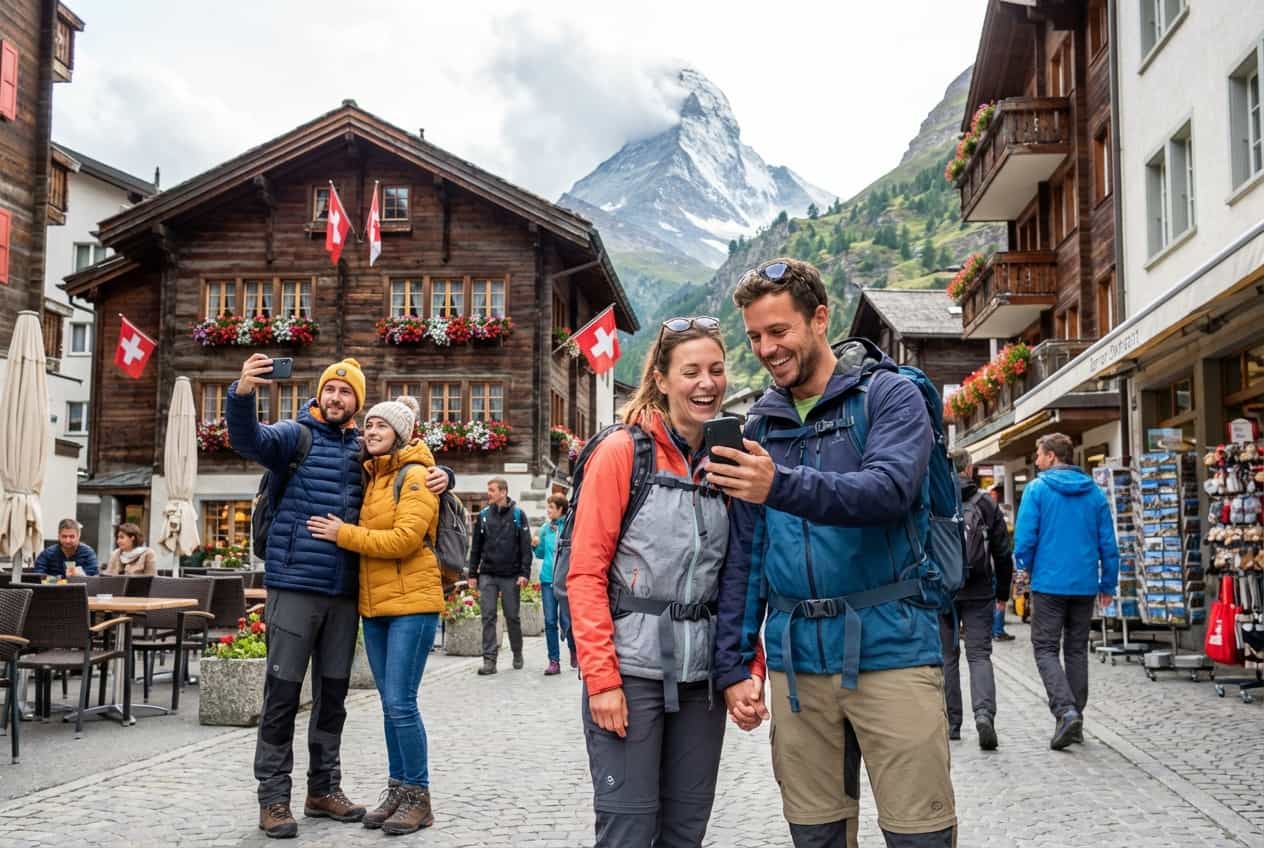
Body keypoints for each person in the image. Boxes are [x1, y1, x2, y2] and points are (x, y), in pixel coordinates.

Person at [710, 258, 956, 848]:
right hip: (798, 666)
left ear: (819, 318)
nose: (767, 348)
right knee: (815, 836)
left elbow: (889, 490)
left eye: (779, 331)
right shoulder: (760, 425)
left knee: (918, 835)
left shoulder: (892, 396)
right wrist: (735, 662)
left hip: (892, 647)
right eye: (755, 336)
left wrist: (781, 485)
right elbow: (747, 555)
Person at [228, 353, 451, 839]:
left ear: (358, 403)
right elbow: (247, 440)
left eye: (346, 392)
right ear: (319, 393)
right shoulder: (294, 435)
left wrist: (444, 475)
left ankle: (323, 788)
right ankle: (273, 799)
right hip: (294, 586)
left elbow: (409, 459)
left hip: (347, 595)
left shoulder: (365, 452)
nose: (336, 397)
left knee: (333, 699)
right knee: (283, 694)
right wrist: (242, 393)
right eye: (331, 388)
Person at [568, 315, 748, 847]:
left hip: (701, 681)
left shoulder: (728, 458)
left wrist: (744, 666)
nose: (706, 383)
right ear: (662, 378)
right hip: (631, 673)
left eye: (716, 370)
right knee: (628, 829)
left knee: (685, 832)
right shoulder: (624, 452)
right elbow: (584, 573)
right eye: (690, 371)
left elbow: (739, 573)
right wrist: (601, 681)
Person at [307, 395, 441, 835]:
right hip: (377, 605)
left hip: (413, 605)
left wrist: (342, 534)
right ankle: (399, 790)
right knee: (390, 705)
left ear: (401, 433)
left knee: (402, 703)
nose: (371, 431)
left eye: (382, 426)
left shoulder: (415, 475)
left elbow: (405, 539)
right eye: (368, 426)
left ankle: (419, 797)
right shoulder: (373, 476)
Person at [1013, 432, 1119, 751]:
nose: (1036, 459)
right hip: (1084, 584)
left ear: (1052, 457)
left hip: (1048, 583)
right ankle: (1075, 719)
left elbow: (1025, 538)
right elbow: (1109, 544)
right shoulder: (1095, 494)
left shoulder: (1037, 490)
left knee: (1045, 648)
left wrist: (1023, 568)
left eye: (1039, 454)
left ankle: (1065, 710)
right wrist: (1108, 584)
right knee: (1075, 649)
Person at [939, 450, 1012, 750]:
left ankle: (952, 723)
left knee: (947, 656)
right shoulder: (986, 503)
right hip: (979, 587)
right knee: (979, 654)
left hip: (944, 589)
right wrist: (1002, 594)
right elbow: (1003, 552)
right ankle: (984, 714)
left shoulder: (937, 497)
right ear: (969, 468)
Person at [467, 479, 532, 675]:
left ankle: (517, 652)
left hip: (511, 575)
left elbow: (525, 547)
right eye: (488, 490)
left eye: (492, 490)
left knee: (512, 617)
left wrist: (524, 573)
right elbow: (476, 547)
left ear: (503, 492)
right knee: (488, 616)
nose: (489, 493)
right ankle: (489, 661)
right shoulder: (484, 516)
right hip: (488, 574)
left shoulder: (518, 515)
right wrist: (472, 574)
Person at [533, 493, 574, 675]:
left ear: (561, 509)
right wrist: (535, 545)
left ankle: (574, 650)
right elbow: (541, 554)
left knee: (568, 620)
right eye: (548, 507)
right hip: (548, 579)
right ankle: (554, 661)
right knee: (550, 621)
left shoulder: (571, 527)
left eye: (551, 507)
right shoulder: (545, 529)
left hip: (566, 580)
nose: (548, 511)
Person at [33, 518, 98, 577]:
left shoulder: (88, 553)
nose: (68, 541)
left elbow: (93, 578)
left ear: (78, 536)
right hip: (53, 589)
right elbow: (38, 576)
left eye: (72, 536)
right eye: (64, 536)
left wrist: (80, 576)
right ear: (58, 536)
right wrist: (60, 580)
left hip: (79, 589)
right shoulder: (47, 553)